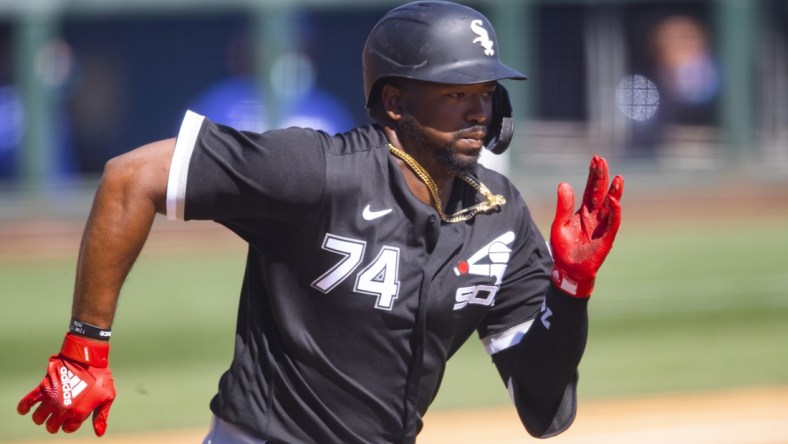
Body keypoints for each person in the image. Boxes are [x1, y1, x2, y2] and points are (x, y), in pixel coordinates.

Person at [17, 1, 623, 443]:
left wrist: (570, 290)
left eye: (486, 91)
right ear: (396, 102)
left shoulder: (502, 217)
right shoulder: (317, 170)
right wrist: (84, 349)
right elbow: (131, 177)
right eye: (454, 91)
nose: (478, 109)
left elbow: (544, 410)